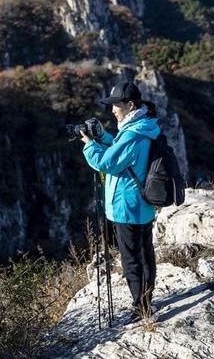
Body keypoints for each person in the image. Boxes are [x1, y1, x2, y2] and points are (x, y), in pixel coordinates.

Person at [80, 79, 160, 321]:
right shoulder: (142, 127)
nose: (113, 109)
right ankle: (146, 299)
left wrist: (89, 145)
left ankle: (141, 308)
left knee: (132, 258)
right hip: (142, 204)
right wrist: (103, 137)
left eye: (117, 104)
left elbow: (108, 163)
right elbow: (120, 151)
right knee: (145, 253)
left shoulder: (134, 134)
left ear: (131, 104)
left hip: (127, 206)